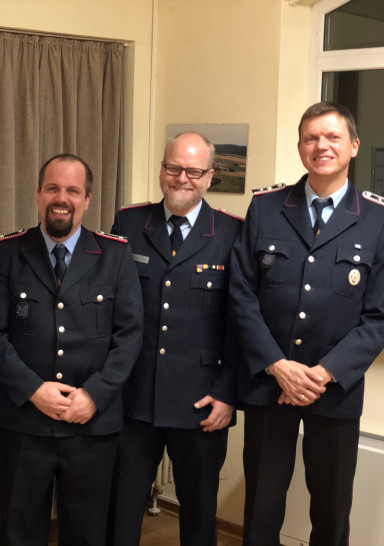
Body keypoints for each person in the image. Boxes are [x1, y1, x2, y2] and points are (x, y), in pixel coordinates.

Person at [230, 102, 384, 545]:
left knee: (332, 507)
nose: (322, 147)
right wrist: (278, 365)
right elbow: (241, 294)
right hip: (269, 382)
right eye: (312, 138)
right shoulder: (266, 207)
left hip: (333, 387)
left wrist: (322, 372)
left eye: (333, 137)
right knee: (261, 503)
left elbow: (378, 316)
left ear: (353, 146)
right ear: (300, 147)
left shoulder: (376, 218)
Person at [0, 153, 143, 546]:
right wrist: (34, 390)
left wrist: (95, 395)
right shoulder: (7, 252)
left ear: (87, 200)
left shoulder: (115, 254)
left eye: (72, 190)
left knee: (87, 533)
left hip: (91, 423)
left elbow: (130, 334)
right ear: (37, 194)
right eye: (52, 188)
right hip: (24, 420)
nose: (61, 198)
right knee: (20, 532)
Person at [107, 132, 241, 546]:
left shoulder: (232, 233)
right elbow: (110, 309)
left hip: (201, 403)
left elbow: (243, 322)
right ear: (162, 168)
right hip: (133, 398)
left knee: (199, 516)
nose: (182, 178)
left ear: (210, 176)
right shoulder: (129, 223)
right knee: (120, 511)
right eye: (173, 168)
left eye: (194, 171)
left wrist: (229, 393)